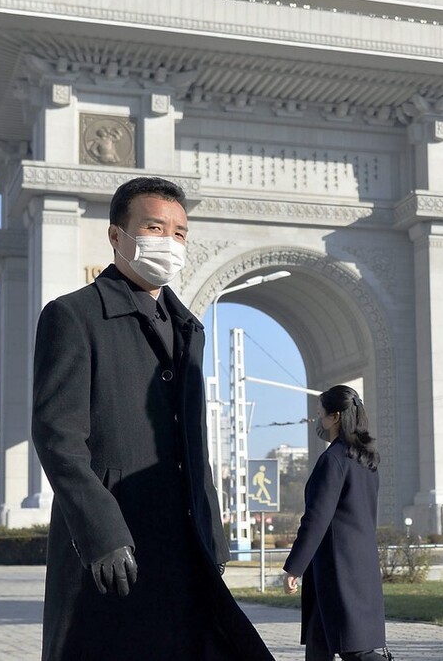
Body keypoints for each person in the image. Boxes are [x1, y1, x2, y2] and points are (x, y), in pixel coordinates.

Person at [31, 176, 274, 661]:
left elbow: (195, 445)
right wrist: (101, 532)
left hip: (186, 546)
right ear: (116, 235)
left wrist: (212, 533)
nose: (170, 242)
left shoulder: (189, 330)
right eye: (154, 228)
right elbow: (58, 439)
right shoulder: (73, 316)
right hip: (115, 551)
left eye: (180, 232)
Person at [283, 385, 388, 661]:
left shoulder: (333, 460)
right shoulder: (366, 459)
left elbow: (316, 519)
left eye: (321, 413)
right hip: (359, 564)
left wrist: (294, 567)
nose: (319, 419)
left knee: (356, 651)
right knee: (320, 644)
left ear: (335, 417)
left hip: (338, 568)